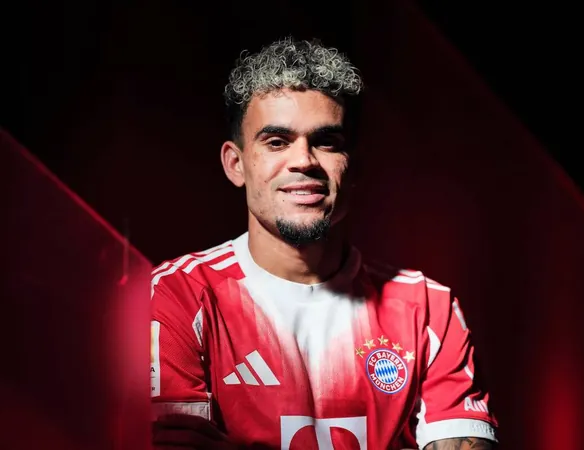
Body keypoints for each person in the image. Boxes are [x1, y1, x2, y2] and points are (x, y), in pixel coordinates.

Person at [150, 36, 498, 450]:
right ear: (235, 164)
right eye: (277, 141)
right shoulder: (180, 295)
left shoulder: (427, 307)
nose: (304, 160)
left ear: (355, 167)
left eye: (326, 142)